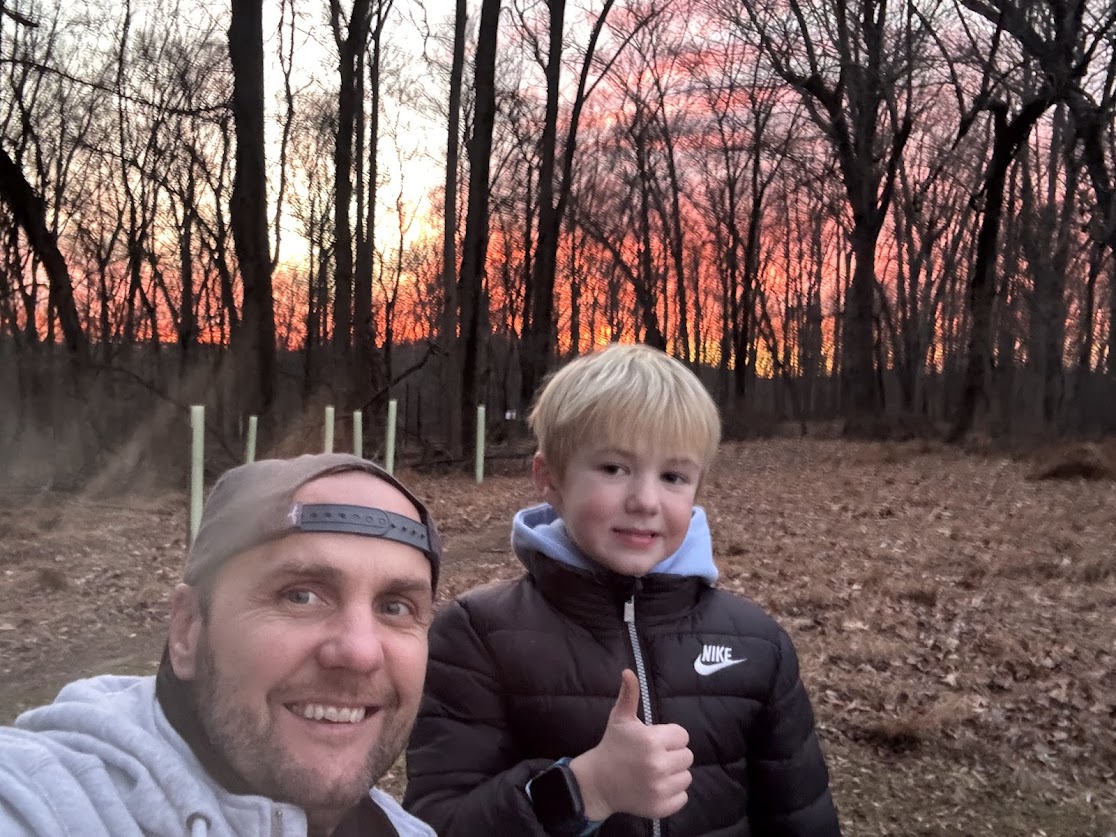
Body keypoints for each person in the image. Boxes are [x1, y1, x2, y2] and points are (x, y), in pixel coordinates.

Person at [404, 344, 841, 836]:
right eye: (614, 468)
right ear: (549, 479)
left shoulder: (758, 645)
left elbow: (800, 816)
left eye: (674, 476)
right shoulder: (476, 635)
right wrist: (582, 790)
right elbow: (435, 823)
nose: (645, 501)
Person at [0, 452, 441, 837]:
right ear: (188, 630)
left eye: (396, 607)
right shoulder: (44, 801)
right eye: (300, 595)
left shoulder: (405, 831)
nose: (360, 653)